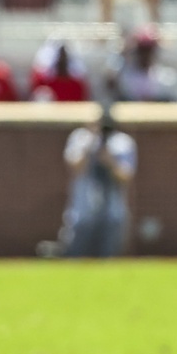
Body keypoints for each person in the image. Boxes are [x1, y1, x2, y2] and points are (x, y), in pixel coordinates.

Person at [61, 107, 136, 258]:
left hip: (112, 211)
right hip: (83, 211)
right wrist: (91, 144)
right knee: (76, 256)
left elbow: (126, 175)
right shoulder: (80, 138)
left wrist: (110, 161)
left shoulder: (121, 142)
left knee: (109, 257)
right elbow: (74, 166)